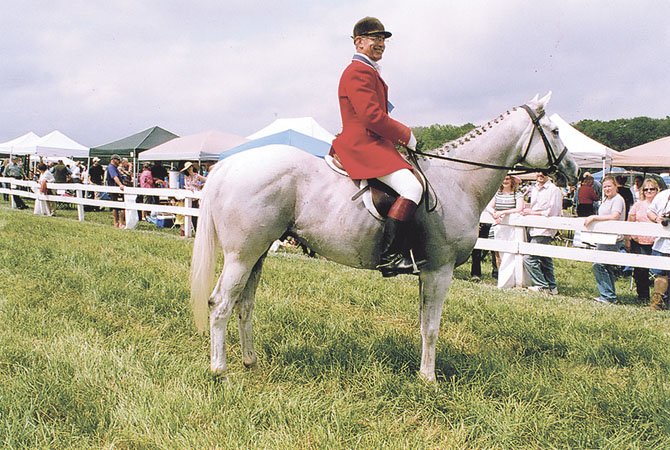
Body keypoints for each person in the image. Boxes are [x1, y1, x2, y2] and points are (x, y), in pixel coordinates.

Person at [330, 16, 424, 277]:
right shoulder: (358, 71)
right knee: (412, 187)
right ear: (359, 42)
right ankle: (391, 257)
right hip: (363, 144)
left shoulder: (370, 71)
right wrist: (406, 136)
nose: (381, 43)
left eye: (383, 39)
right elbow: (372, 117)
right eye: (375, 38)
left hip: (374, 142)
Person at [584, 175, 626, 304]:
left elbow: (615, 216)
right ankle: (609, 295)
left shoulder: (617, 199)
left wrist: (594, 217)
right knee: (605, 266)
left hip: (613, 238)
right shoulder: (606, 200)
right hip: (603, 237)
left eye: (609, 186)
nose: (607, 189)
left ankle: (608, 295)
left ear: (615, 186)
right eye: (605, 186)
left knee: (599, 264)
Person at [521, 172, 563, 294]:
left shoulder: (554, 190)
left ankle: (541, 285)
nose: (541, 175)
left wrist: (531, 213)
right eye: (539, 172)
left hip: (545, 229)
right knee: (545, 259)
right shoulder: (534, 188)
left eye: (544, 173)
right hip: (534, 227)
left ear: (549, 175)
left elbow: (552, 211)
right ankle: (552, 287)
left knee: (528, 258)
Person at [485, 175, 526, 288]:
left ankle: (513, 280)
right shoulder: (497, 193)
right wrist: (494, 213)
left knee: (512, 254)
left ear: (512, 180)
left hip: (512, 228)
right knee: (499, 255)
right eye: (503, 178)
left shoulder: (517, 194)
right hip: (499, 227)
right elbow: (489, 206)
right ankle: (502, 279)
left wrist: (503, 212)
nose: (505, 181)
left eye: (508, 179)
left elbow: (518, 208)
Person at [625, 178, 659, 302]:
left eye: (652, 189)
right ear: (642, 191)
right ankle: (643, 296)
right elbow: (630, 220)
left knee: (660, 271)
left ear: (657, 190)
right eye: (646, 189)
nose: (649, 191)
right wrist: (629, 237)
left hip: (657, 243)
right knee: (640, 271)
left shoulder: (660, 204)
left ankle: (660, 297)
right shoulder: (638, 205)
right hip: (639, 242)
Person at [647, 183, 670, 310]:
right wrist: (657, 218)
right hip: (662, 244)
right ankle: (656, 303)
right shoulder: (663, 195)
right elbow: (650, 211)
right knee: (660, 275)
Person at [105, 154, 125, 228]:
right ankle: (118, 223)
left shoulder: (114, 168)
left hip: (115, 189)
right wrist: (120, 184)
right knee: (117, 206)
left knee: (116, 206)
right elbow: (114, 177)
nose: (119, 162)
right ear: (113, 160)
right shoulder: (111, 167)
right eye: (118, 160)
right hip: (114, 189)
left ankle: (119, 223)